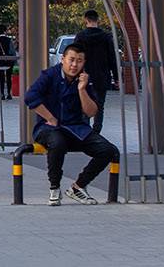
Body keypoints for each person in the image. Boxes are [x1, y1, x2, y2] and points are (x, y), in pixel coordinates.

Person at [24, 42, 120, 206]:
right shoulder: (49, 75)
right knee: (57, 142)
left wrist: (82, 89)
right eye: (71, 60)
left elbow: (91, 112)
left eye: (79, 61)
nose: (75, 65)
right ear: (63, 59)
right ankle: (54, 187)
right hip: (49, 129)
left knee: (108, 150)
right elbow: (30, 97)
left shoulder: (85, 80)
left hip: (76, 128)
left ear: (84, 62)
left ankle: (78, 186)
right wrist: (50, 118)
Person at [71, 9, 120, 135]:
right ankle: (96, 132)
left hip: (84, 77)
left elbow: (74, 57)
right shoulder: (106, 37)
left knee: (84, 105)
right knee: (99, 106)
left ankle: (85, 132)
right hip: (102, 77)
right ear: (98, 20)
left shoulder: (80, 37)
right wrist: (117, 77)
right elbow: (112, 58)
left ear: (86, 20)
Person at [0, 26, 17, 101]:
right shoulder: (9, 40)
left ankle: (2, 94)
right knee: (8, 77)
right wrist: (14, 60)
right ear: (5, 31)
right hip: (8, 61)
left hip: (0, 61)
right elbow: (12, 51)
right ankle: (9, 94)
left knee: (1, 78)